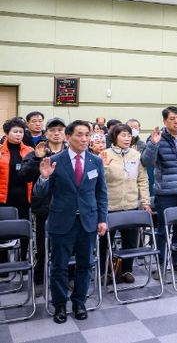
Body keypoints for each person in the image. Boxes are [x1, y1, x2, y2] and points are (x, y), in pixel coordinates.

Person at [34, 120, 108, 323]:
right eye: (79, 134)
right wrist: (44, 178)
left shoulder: (95, 161)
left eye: (87, 135)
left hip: (88, 221)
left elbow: (101, 193)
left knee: (85, 264)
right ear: (68, 137)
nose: (84, 139)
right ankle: (59, 304)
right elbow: (39, 194)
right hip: (61, 221)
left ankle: (79, 302)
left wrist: (102, 219)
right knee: (59, 266)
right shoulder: (54, 161)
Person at [141, 106, 177, 279]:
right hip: (165, 192)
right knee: (163, 230)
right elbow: (147, 162)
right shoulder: (157, 138)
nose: (176, 121)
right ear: (165, 121)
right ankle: (160, 264)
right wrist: (153, 144)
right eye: (172, 118)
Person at [99, 124, 150, 284]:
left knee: (130, 241)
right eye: (123, 135)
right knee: (105, 242)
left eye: (129, 135)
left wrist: (145, 201)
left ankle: (127, 270)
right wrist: (104, 167)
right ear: (114, 137)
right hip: (110, 206)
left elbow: (142, 179)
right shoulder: (104, 154)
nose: (127, 138)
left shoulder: (136, 155)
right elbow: (99, 182)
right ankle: (104, 272)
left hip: (131, 205)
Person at [21, 117, 67, 286]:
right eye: (52, 130)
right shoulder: (37, 152)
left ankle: (67, 276)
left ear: (65, 134)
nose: (56, 133)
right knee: (42, 247)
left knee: (66, 246)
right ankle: (40, 278)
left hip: (66, 207)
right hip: (43, 207)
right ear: (46, 134)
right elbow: (23, 175)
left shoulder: (71, 153)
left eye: (60, 130)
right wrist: (36, 159)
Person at [0, 117, 34, 261]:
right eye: (15, 132)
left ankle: (24, 258)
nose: (18, 134)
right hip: (4, 197)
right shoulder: (0, 151)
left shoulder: (30, 151)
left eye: (21, 132)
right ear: (7, 133)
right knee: (4, 231)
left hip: (24, 197)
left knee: (23, 228)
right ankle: (3, 261)